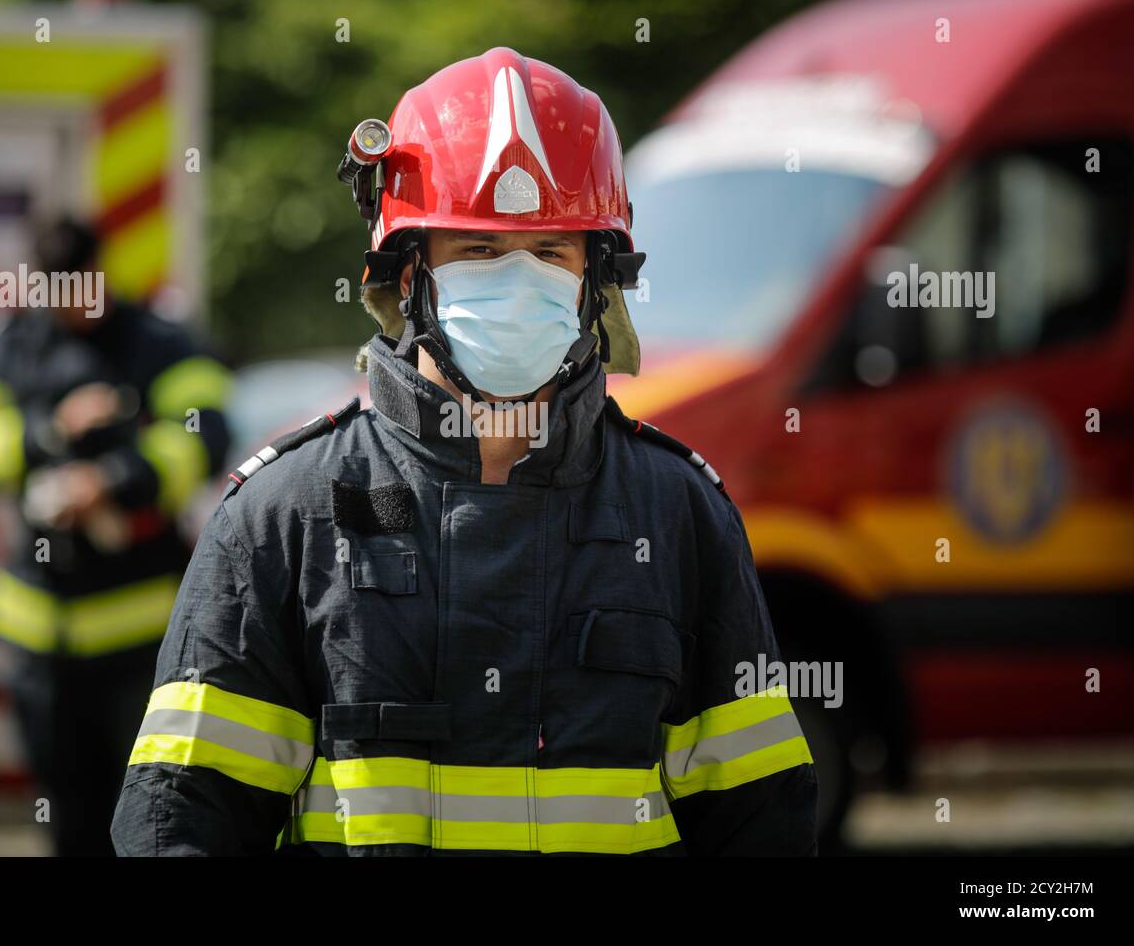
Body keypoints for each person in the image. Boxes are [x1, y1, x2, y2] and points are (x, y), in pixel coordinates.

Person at [111, 47, 816, 856]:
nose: (518, 281)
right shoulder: (284, 517)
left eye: (551, 253)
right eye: (477, 251)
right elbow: (180, 824)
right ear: (406, 273)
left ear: (598, 279)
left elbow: (763, 824)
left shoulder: (679, 513)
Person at [0, 215, 233, 855]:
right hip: (40, 642)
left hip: (140, 635)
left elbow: (206, 433)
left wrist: (114, 479)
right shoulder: (12, 345)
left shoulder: (158, 339)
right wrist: (47, 435)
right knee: (64, 819)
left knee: (147, 813)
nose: (77, 309)